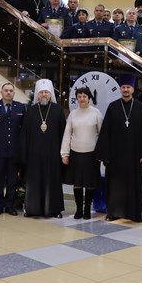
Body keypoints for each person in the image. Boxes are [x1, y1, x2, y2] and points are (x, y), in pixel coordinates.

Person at [95, 73, 142, 222]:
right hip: (116, 155)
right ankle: (113, 212)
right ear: (120, 89)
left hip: (134, 154)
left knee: (133, 185)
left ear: (133, 89)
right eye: (123, 87)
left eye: (128, 87)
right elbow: (105, 131)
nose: (125, 90)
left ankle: (133, 214)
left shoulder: (140, 108)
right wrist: (104, 154)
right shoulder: (113, 107)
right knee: (114, 185)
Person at [21, 79, 66, 218]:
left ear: (50, 94)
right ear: (37, 95)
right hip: (34, 155)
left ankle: (55, 210)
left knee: (53, 182)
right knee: (34, 182)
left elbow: (63, 133)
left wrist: (63, 153)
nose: (44, 95)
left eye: (46, 92)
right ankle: (32, 209)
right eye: (41, 92)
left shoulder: (58, 110)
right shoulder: (31, 111)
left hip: (53, 155)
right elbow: (25, 134)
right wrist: (24, 155)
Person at [61, 87, 103, 219]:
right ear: (76, 98)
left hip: (92, 154)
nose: (82, 98)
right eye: (79, 96)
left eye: (84, 96)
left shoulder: (96, 113)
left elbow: (101, 135)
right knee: (77, 183)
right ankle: (79, 210)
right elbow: (67, 134)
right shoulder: (73, 114)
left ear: (89, 98)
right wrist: (64, 153)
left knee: (90, 183)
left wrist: (101, 154)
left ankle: (87, 210)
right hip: (75, 153)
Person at [0, 83, 26, 216]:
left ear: (14, 93)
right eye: (6, 90)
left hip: (14, 151)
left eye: (11, 91)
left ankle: (9, 205)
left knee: (12, 180)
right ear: (1, 92)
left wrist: (22, 149)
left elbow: (24, 130)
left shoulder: (20, 107)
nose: (8, 93)